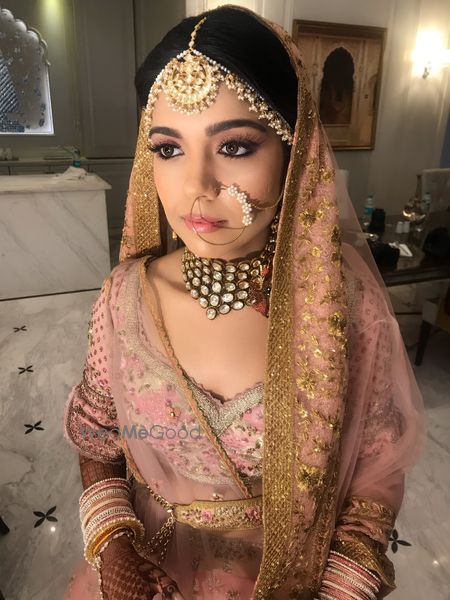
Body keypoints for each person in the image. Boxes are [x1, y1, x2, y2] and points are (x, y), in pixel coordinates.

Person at [63, 6, 424, 599]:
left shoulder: (342, 308)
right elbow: (97, 438)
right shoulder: (126, 298)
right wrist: (115, 550)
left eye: (233, 146)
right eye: (168, 149)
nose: (196, 186)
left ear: (294, 150)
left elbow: (374, 478)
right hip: (154, 568)